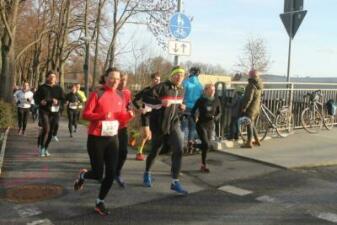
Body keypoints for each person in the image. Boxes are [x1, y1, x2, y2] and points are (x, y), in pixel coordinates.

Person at [73, 67, 123, 216]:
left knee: (111, 172)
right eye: (112, 78)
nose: (115, 81)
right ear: (105, 78)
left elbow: (120, 116)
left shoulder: (120, 95)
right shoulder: (97, 93)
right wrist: (102, 116)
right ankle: (83, 175)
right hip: (96, 138)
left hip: (113, 138)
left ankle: (99, 201)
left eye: (118, 79)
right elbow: (86, 114)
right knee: (97, 174)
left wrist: (129, 116)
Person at [143, 66, 188, 195]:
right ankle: (147, 172)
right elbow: (146, 98)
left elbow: (175, 108)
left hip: (174, 123)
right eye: (177, 75)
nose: (179, 77)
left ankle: (175, 181)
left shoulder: (181, 90)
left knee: (179, 149)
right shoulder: (162, 87)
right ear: (172, 76)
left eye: (182, 75)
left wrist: (181, 108)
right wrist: (160, 102)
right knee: (155, 150)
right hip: (159, 125)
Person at [191, 83, 222, 173]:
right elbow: (193, 111)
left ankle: (203, 165)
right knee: (206, 144)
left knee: (206, 146)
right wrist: (195, 118)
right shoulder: (201, 100)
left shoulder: (216, 100)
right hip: (201, 124)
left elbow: (220, 112)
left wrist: (215, 118)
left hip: (210, 125)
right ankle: (194, 145)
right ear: (206, 90)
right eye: (211, 90)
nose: (213, 91)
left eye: (214, 90)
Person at [34, 71, 65, 157]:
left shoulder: (59, 88)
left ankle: (45, 148)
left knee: (51, 131)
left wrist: (58, 101)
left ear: (56, 78)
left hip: (55, 112)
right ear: (47, 77)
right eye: (50, 76)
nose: (52, 78)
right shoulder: (42, 87)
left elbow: (63, 100)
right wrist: (41, 101)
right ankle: (42, 148)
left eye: (54, 77)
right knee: (47, 129)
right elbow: (36, 97)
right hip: (44, 111)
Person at [132, 72, 161, 161]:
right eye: (155, 79)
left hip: (155, 115)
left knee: (149, 137)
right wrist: (139, 108)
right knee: (146, 135)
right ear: (152, 80)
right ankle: (139, 153)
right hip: (146, 114)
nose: (157, 81)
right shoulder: (146, 90)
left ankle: (134, 135)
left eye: (159, 80)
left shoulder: (161, 91)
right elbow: (134, 100)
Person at [115, 72, 134, 188]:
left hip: (123, 126)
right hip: (110, 127)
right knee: (109, 152)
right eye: (121, 79)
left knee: (123, 152)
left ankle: (117, 173)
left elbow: (129, 103)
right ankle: (105, 173)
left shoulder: (127, 92)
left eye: (125, 80)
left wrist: (130, 109)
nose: (123, 82)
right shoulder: (110, 92)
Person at [182, 67, 203, 153]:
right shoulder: (200, 85)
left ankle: (182, 145)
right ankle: (190, 146)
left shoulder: (185, 83)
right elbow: (201, 98)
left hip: (185, 107)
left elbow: (181, 95)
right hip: (196, 109)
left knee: (183, 127)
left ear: (191, 72)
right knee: (192, 128)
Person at [240, 69, 264, 148]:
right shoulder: (259, 84)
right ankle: (257, 140)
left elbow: (248, 98)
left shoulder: (251, 85)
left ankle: (249, 143)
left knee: (249, 125)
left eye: (249, 74)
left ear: (251, 76)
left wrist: (244, 108)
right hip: (256, 108)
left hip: (251, 108)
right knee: (252, 124)